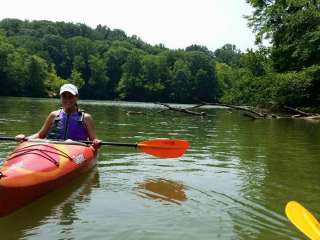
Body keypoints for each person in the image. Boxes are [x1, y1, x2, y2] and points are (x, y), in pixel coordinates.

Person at [15, 83, 102, 149]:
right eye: (64, 96)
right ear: (61, 97)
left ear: (76, 97)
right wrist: (25, 139)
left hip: (76, 149)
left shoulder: (86, 118)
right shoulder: (54, 115)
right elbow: (40, 135)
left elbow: (93, 140)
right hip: (54, 148)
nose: (67, 99)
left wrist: (96, 143)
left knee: (69, 141)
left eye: (70, 96)